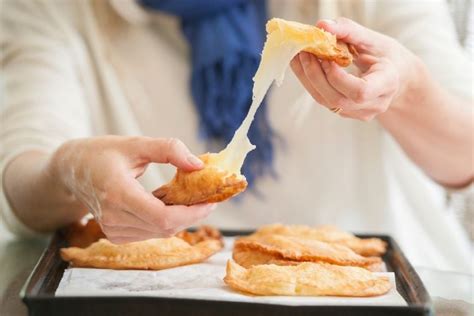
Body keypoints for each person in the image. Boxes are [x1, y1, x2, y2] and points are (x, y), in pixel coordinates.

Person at [0, 0, 472, 273]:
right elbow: (21, 182)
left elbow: (465, 153)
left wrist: (407, 89)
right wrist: (71, 169)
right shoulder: (53, 8)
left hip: (391, 278)